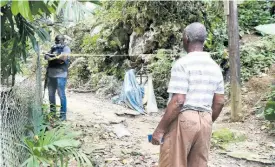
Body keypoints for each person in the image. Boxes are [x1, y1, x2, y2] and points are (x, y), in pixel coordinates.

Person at [151, 22, 225, 167]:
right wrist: (206, 121)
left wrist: (160, 129)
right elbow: (219, 102)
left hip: (184, 118)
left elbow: (178, 101)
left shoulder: (183, 64)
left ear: (186, 38)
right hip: (206, 120)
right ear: (203, 41)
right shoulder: (215, 67)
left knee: (173, 162)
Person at [44, 35, 71, 121]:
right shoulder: (53, 48)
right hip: (51, 74)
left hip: (61, 75)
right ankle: (52, 113)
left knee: (61, 95)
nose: (57, 42)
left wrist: (52, 58)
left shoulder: (66, 48)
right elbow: (46, 56)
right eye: (56, 41)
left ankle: (62, 116)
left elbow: (63, 59)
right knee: (51, 95)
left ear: (63, 40)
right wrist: (53, 57)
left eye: (59, 40)